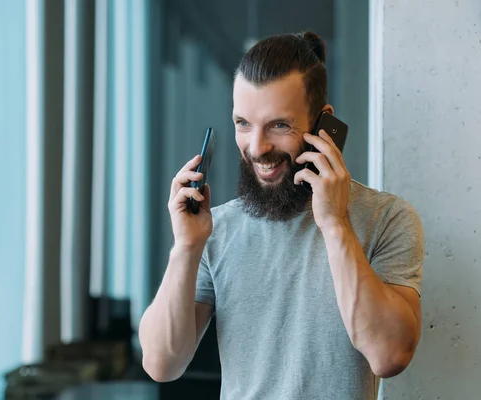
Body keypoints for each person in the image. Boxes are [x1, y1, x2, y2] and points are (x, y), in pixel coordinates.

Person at [138, 31, 424, 400]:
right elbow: (162, 364)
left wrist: (335, 224)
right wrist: (186, 247)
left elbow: (389, 356)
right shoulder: (215, 230)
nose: (257, 148)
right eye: (243, 123)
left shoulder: (388, 219)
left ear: (324, 126)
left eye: (280, 125)